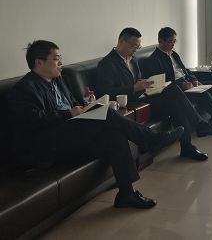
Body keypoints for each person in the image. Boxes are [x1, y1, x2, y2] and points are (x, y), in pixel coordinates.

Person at [7, 40, 184, 209]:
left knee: (115, 136)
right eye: (56, 59)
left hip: (69, 133)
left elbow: (73, 103)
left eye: (60, 58)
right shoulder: (25, 88)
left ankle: (126, 194)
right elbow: (32, 119)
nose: (60, 63)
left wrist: (85, 109)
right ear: (39, 62)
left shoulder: (58, 80)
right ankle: (152, 138)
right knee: (107, 113)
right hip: (47, 145)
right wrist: (68, 114)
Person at [96, 28, 212, 161]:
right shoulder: (107, 64)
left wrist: (147, 84)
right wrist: (134, 88)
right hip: (132, 104)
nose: (135, 50)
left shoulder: (133, 60)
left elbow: (137, 82)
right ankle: (199, 126)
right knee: (174, 90)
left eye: (138, 47)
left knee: (174, 101)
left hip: (145, 97)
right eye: (134, 46)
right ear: (121, 41)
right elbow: (105, 92)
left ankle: (187, 146)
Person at [144, 27, 212, 131]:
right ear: (161, 41)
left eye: (174, 41)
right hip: (178, 89)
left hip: (188, 82)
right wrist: (182, 85)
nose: (173, 45)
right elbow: (162, 83)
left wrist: (194, 80)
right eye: (170, 42)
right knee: (204, 94)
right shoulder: (155, 59)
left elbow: (185, 70)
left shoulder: (173, 54)